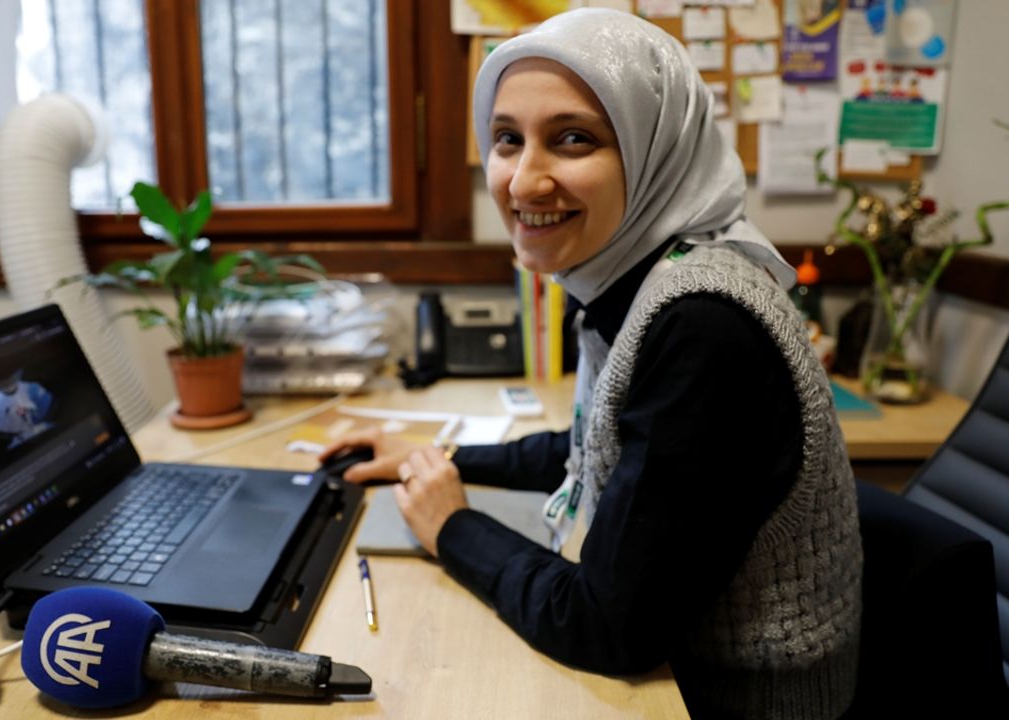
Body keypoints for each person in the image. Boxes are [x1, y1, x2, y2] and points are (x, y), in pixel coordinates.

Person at [320, 9, 862, 719]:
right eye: (507, 139)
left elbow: (606, 627)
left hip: (727, 702)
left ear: (654, 148)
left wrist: (451, 526)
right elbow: (600, 447)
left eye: (573, 139)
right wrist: (437, 457)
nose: (523, 183)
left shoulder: (704, 326)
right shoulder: (635, 277)